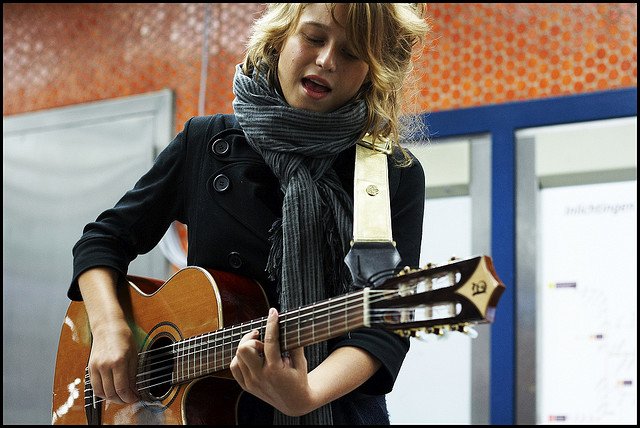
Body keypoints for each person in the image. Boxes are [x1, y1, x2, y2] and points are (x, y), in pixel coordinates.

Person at [69, 3, 430, 425]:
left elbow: (385, 321)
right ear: (280, 37)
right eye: (313, 38)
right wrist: (110, 328)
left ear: (374, 71)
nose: (326, 60)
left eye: (352, 53)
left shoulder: (389, 175)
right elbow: (103, 241)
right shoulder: (205, 143)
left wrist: (306, 395)